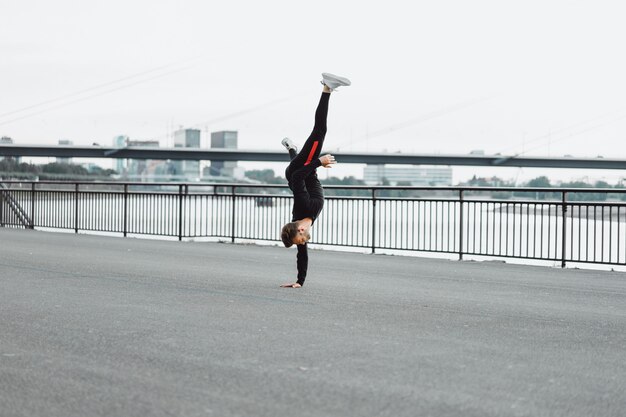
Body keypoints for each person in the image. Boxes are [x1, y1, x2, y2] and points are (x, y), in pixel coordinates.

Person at [279, 73, 351, 288]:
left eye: (301, 241)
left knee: (319, 131)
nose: (304, 243)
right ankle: (292, 149)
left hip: (300, 171)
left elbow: (299, 175)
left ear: (299, 231)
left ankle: (327, 87)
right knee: (302, 162)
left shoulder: (303, 207)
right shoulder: (301, 225)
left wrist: (319, 162)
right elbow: (302, 257)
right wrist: (299, 281)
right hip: (300, 174)